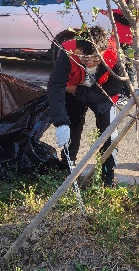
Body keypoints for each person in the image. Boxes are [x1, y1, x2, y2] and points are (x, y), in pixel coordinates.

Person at [48, 26, 128, 187]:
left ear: (103, 51)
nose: (90, 62)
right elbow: (55, 86)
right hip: (72, 91)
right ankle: (67, 167)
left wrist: (79, 91)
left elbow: (114, 87)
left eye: (96, 59)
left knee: (108, 132)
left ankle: (108, 175)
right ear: (78, 50)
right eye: (85, 59)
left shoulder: (115, 55)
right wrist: (60, 121)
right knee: (71, 126)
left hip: (101, 92)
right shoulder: (67, 53)